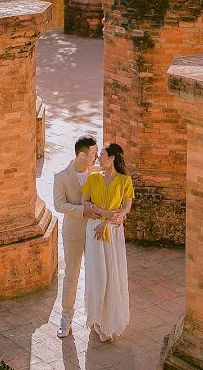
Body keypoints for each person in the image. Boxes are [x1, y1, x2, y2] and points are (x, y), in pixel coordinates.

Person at [52, 135, 117, 338]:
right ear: (81, 155)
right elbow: (58, 205)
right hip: (73, 233)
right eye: (93, 153)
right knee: (71, 275)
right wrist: (83, 211)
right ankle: (66, 317)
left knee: (97, 275)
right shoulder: (61, 177)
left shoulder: (97, 172)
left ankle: (97, 319)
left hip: (95, 232)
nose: (97, 156)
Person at [81, 142, 133, 342]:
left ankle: (109, 322)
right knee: (98, 275)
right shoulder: (94, 178)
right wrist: (105, 216)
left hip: (114, 232)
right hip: (95, 230)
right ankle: (97, 320)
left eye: (102, 154)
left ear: (111, 159)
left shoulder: (124, 180)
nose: (98, 157)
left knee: (113, 274)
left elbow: (126, 207)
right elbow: (85, 201)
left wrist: (110, 220)